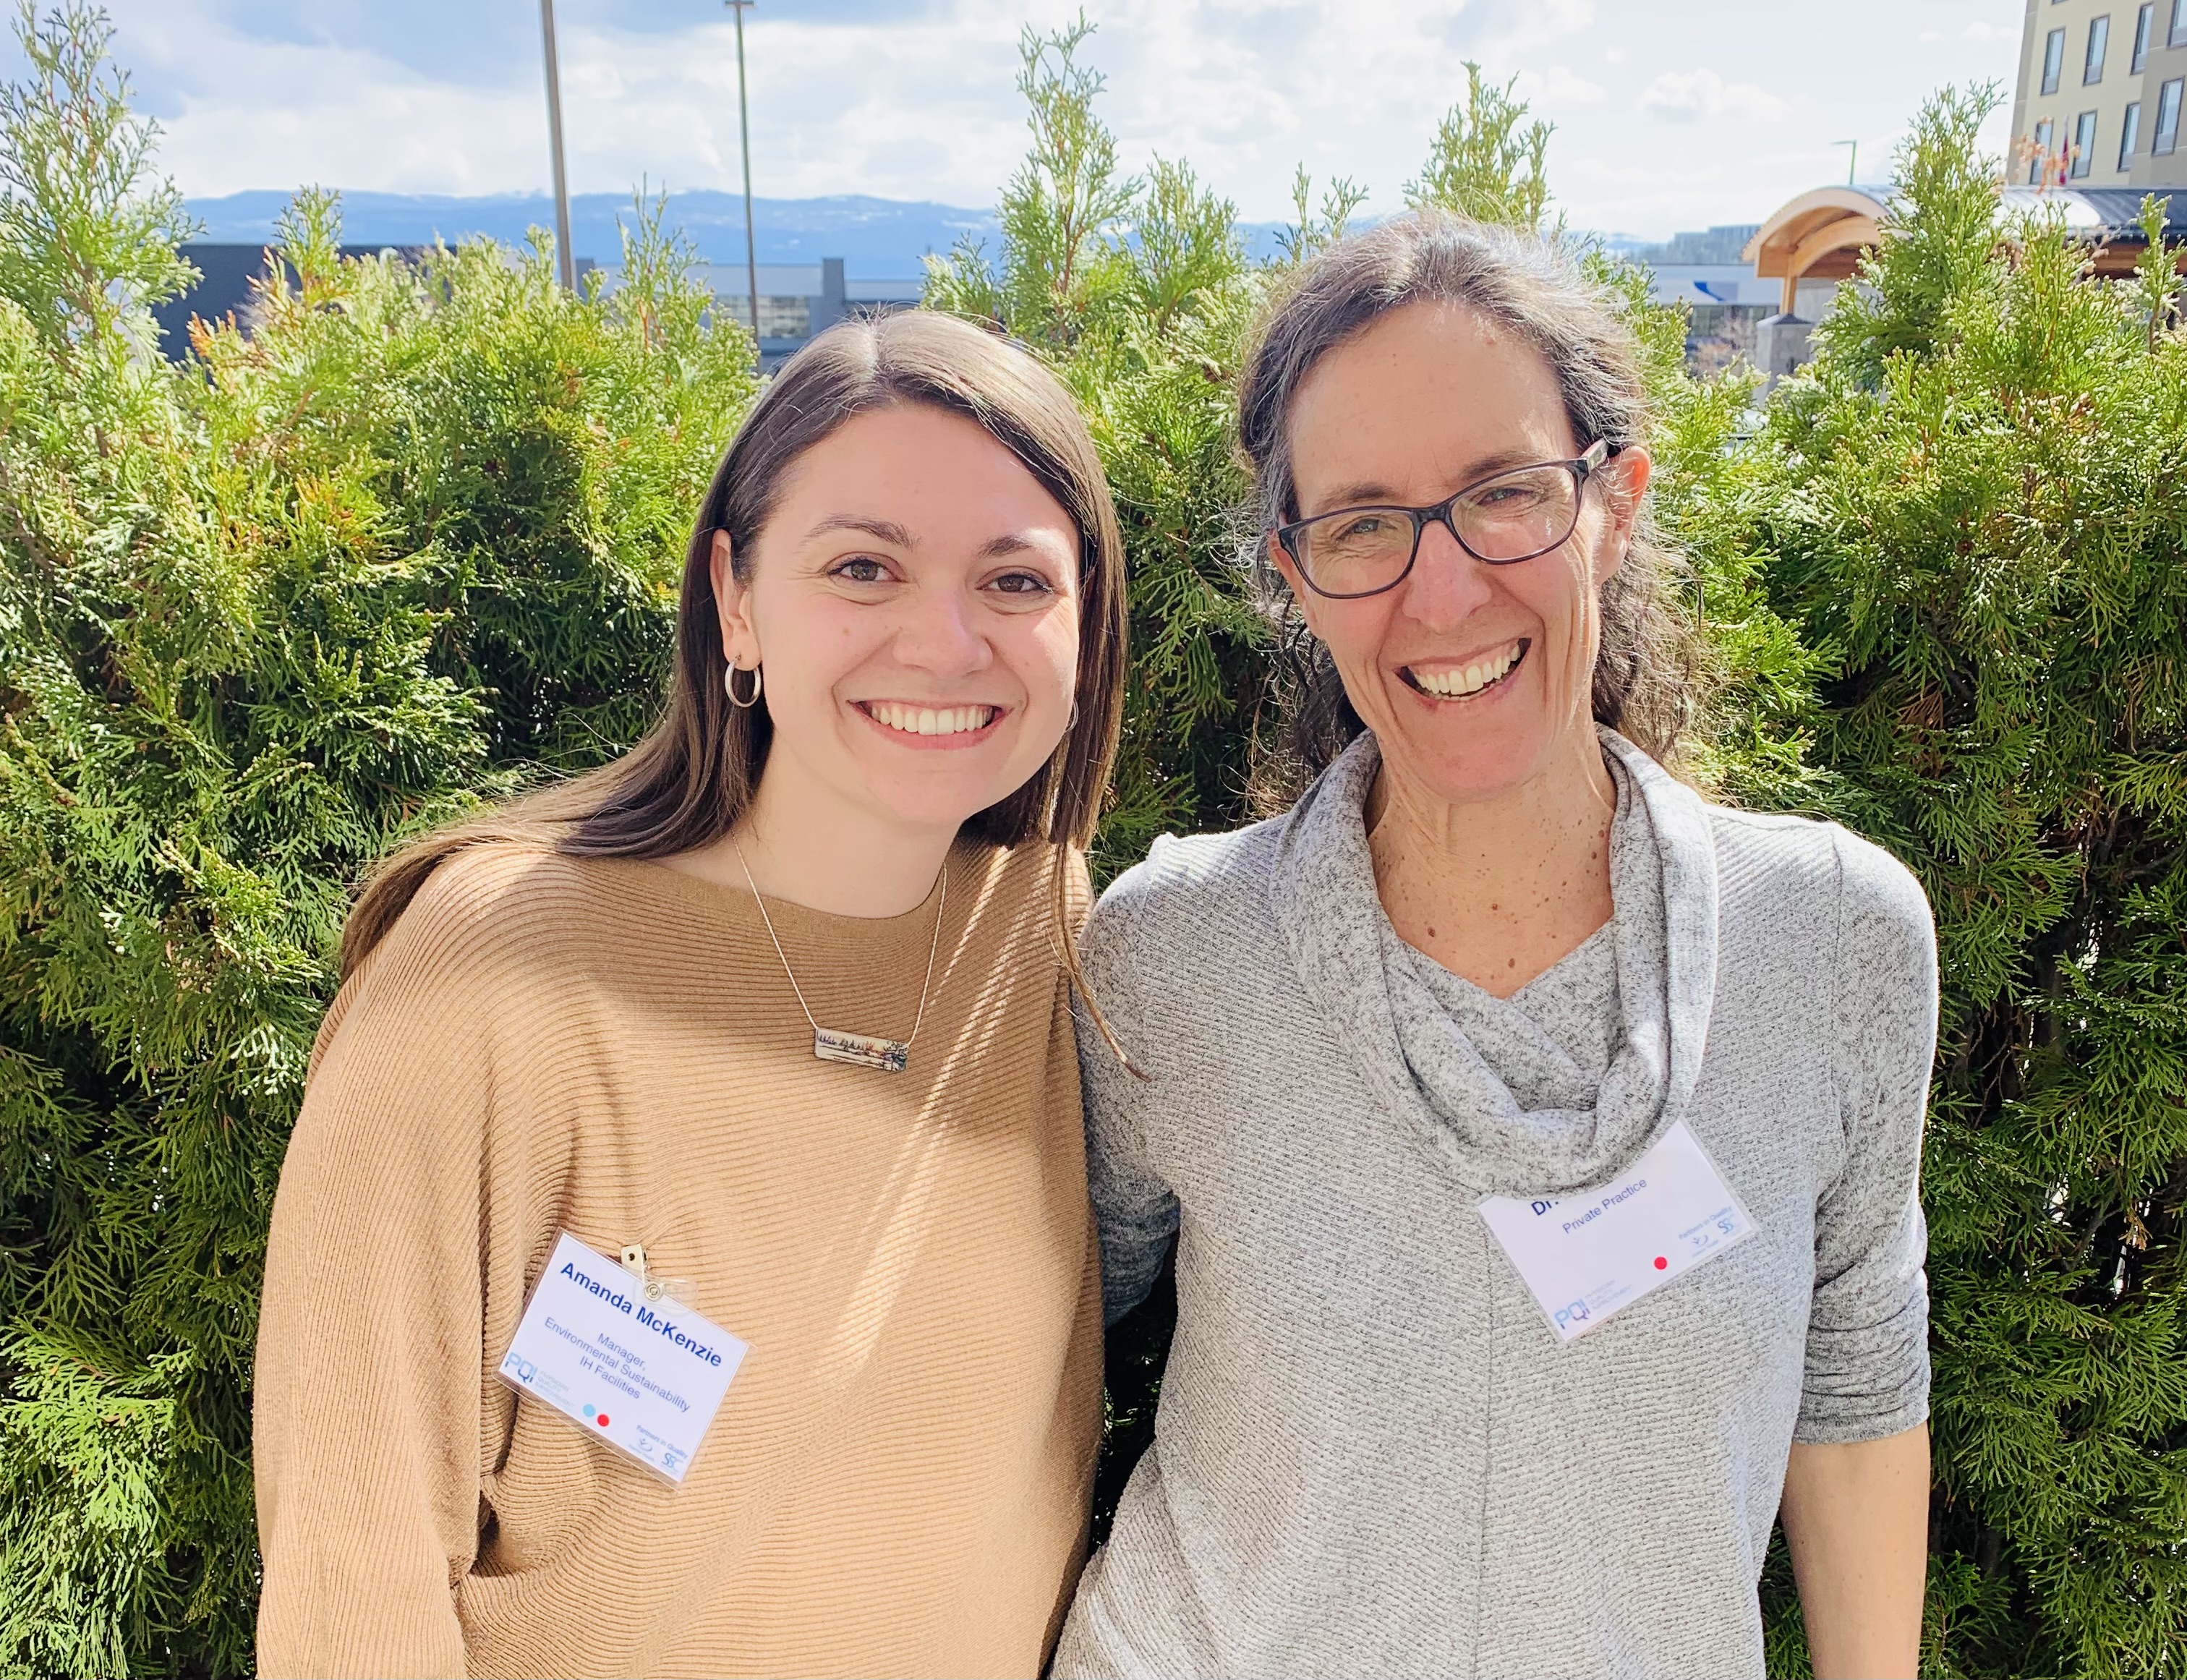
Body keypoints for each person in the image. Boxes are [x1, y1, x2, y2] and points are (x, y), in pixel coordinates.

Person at [1053, 216, 1936, 1680]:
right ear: (1296, 570)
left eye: (1503, 494)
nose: (1443, 589)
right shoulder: (1175, 959)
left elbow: (1854, 1384)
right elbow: (1042, 1341)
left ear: (1616, 502)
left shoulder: (1832, 942)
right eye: (1364, 524)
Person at [254, 310, 1127, 1679]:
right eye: (863, 567)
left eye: (1015, 584)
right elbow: (350, 1568)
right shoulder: (492, 970)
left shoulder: (1047, 930)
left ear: (1087, 625)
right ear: (736, 597)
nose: (947, 643)